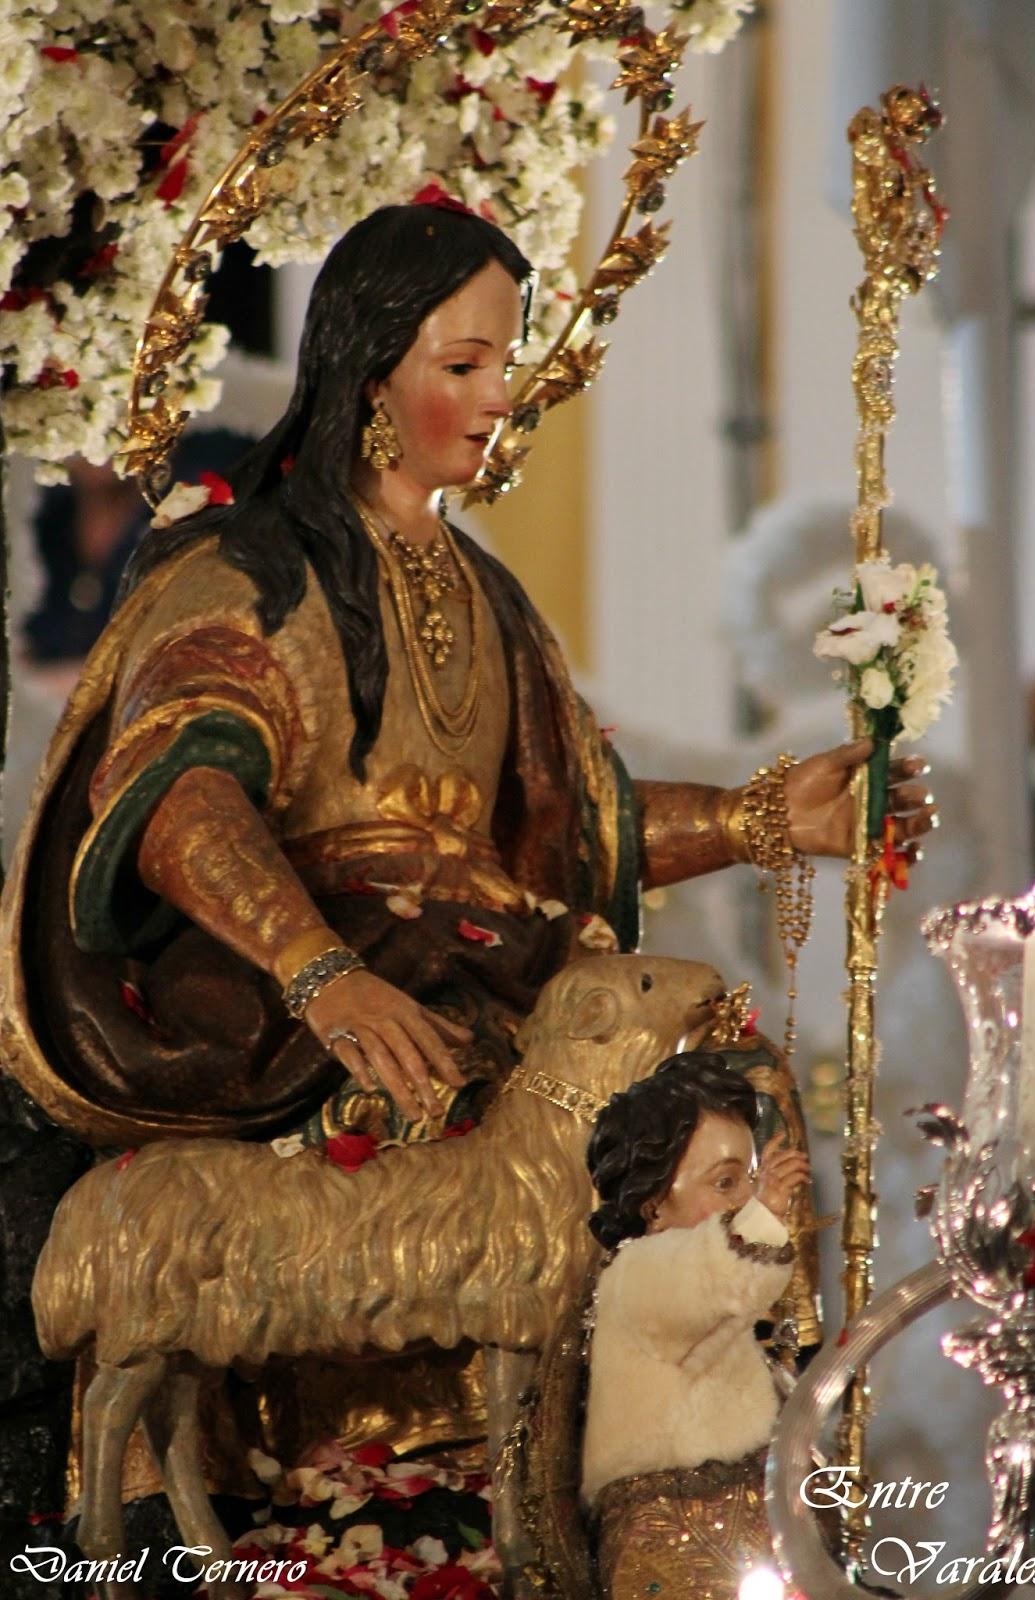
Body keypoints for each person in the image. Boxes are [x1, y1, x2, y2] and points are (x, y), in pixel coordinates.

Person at [0, 199, 932, 1512]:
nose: (504, 395)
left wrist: (764, 820)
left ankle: (661, 1471)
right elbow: (178, 807)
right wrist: (325, 974)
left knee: (708, 1108)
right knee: (483, 1122)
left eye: (508, 359)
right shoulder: (247, 571)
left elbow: (571, 832)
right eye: (465, 365)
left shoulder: (481, 592)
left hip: (476, 955)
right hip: (289, 992)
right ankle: (361, 1486)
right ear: (369, 371)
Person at [582, 1051, 809, 1600]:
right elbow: (722, 1275)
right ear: (654, 1202)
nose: (749, 1198)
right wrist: (765, 1214)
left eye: (750, 1180)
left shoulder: (695, 1281)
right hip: (675, 1538)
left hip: (743, 1527)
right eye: (726, 1182)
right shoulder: (638, 1274)